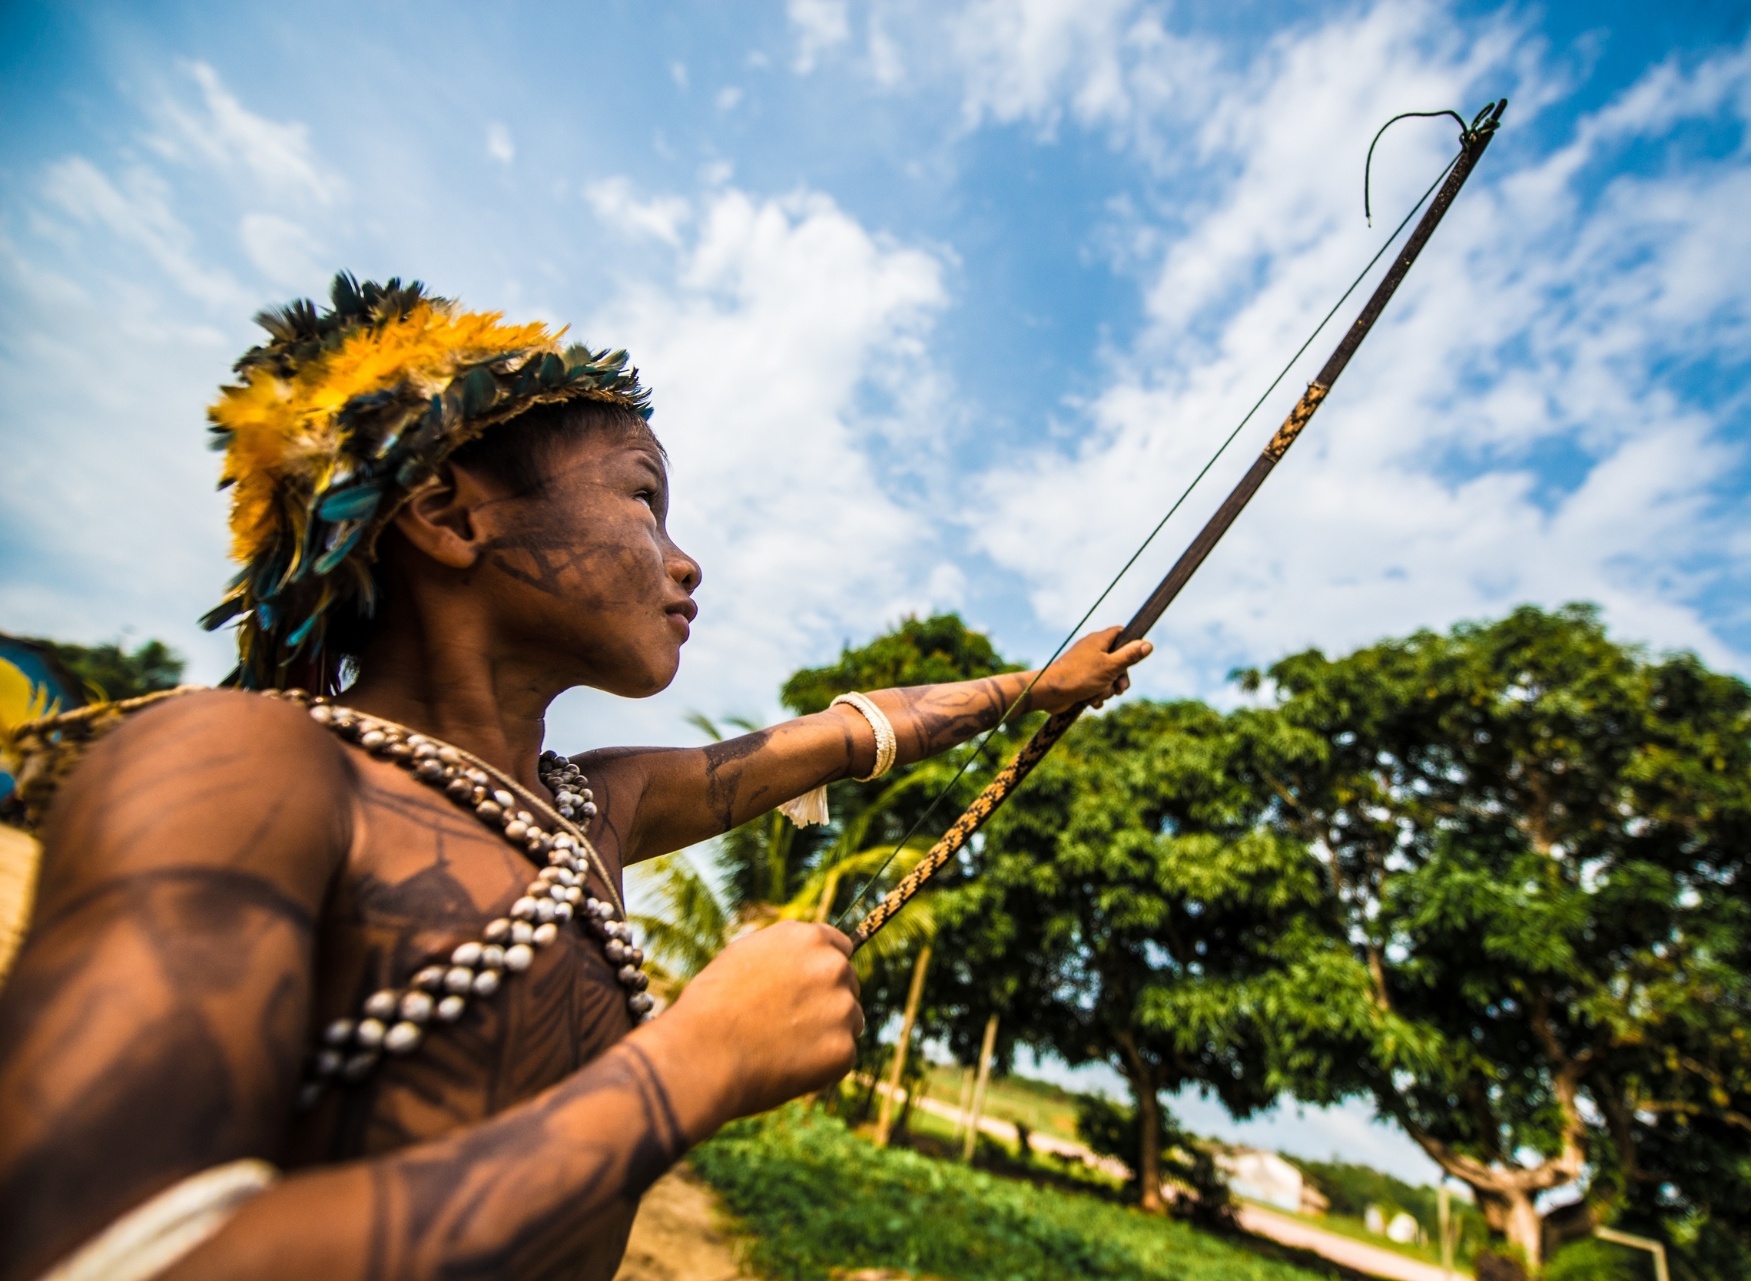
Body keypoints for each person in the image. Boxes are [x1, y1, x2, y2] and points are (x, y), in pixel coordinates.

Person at [0, 275, 1149, 1281]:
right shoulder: (240, 762)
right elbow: (96, 1251)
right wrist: (697, 1063)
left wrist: (1035, 687)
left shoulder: (593, 807)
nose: (686, 560)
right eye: (645, 499)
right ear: (450, 514)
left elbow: (846, 735)